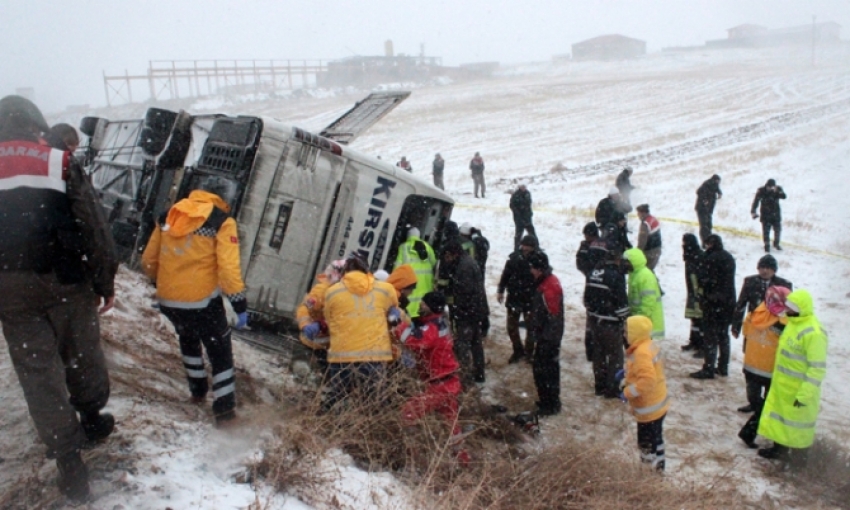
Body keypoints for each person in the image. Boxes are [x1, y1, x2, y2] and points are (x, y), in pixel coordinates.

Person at [0, 95, 118, 501]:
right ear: (35, 123)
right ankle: (91, 416)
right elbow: (93, 223)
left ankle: (69, 463)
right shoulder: (58, 161)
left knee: (37, 375)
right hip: (66, 279)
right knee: (81, 352)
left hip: (9, 289)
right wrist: (105, 279)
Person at [142, 178, 247, 426]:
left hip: (169, 300)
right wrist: (239, 303)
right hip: (202, 301)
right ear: (223, 196)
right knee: (219, 350)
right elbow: (228, 270)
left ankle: (197, 391)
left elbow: (148, 260)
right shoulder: (222, 221)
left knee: (188, 338)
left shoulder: (170, 214)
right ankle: (224, 411)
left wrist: (162, 282)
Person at [395, 291, 469, 463]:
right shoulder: (438, 322)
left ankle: (413, 458)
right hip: (449, 381)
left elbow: (415, 341)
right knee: (451, 426)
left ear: (431, 306)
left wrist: (398, 325)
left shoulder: (432, 328)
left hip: (440, 384)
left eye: (423, 303)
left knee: (408, 413)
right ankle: (462, 460)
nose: (420, 305)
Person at [757, 289, 827, 467]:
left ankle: (798, 462)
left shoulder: (814, 333)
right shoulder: (793, 323)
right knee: (780, 421)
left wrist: (805, 395)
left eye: (790, 308)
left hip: (799, 391)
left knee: (798, 428)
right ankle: (778, 450)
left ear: (800, 309)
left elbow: (817, 369)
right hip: (783, 386)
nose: (786, 310)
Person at [322, 253, 399, 410]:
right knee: (373, 404)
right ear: (367, 270)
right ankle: (365, 431)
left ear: (345, 272)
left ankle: (321, 423)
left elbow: (329, 321)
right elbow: (393, 310)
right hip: (373, 356)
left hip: (341, 356)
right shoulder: (386, 289)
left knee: (335, 397)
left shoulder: (332, 292)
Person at [737, 286, 791, 449]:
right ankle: (754, 431)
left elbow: (746, 333)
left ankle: (753, 431)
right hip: (771, 371)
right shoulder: (785, 322)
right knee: (768, 406)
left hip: (751, 366)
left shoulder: (755, 314)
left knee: (757, 402)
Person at [617, 315, 669, 472]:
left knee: (645, 443)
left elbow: (647, 380)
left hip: (649, 408)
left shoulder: (641, 353)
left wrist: (627, 392)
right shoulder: (648, 344)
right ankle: (659, 466)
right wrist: (626, 373)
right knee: (657, 438)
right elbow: (643, 370)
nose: (625, 335)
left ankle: (648, 473)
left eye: (627, 331)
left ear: (636, 334)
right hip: (658, 403)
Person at [730, 254, 793, 383]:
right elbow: (741, 304)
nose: (764, 271)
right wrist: (736, 325)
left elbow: (789, 309)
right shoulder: (750, 281)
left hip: (774, 328)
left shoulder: (784, 285)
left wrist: (783, 329)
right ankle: (753, 388)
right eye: (762, 267)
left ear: (774, 270)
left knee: (770, 359)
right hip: (754, 326)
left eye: (768, 268)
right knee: (751, 356)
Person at [584, 244, 630, 398]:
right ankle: (612, 388)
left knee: (599, 354)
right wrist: (624, 319)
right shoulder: (616, 276)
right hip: (610, 323)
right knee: (616, 356)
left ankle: (600, 385)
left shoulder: (593, 273)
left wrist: (593, 314)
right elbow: (621, 303)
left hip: (594, 322)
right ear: (617, 260)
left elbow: (586, 299)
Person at [441, 241, 488, 385]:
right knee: (476, 343)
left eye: (447, 256)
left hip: (467, 313)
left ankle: (465, 379)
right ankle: (479, 373)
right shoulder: (468, 262)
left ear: (453, 254)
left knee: (463, 346)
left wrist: (458, 311)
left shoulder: (463, 268)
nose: (445, 259)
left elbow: (465, 293)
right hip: (477, 310)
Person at [690, 234, 736, 379]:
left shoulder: (709, 258)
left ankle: (708, 368)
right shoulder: (728, 257)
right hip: (728, 302)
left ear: (709, 244)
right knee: (723, 336)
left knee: (710, 336)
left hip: (712, 302)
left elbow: (704, 280)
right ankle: (723, 367)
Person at [293, 260, 346, 377]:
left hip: (329, 348)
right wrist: (306, 326)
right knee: (303, 374)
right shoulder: (322, 291)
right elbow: (305, 308)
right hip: (313, 345)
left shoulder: (341, 293)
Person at [527, 252, 564, 416]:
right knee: (545, 370)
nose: (531, 272)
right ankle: (548, 401)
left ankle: (550, 404)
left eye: (533, 268)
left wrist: (545, 337)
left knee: (545, 371)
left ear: (540, 269)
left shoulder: (549, 288)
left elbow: (553, 317)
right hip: (547, 336)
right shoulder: (547, 282)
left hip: (548, 338)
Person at [498, 235, 539, 364]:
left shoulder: (539, 259)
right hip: (514, 297)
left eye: (528, 247)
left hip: (530, 299)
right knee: (511, 328)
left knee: (531, 328)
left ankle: (529, 353)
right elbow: (506, 274)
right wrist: (501, 290)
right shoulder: (514, 258)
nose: (525, 248)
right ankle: (517, 350)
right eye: (523, 246)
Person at [576, 223, 608, 361]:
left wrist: (590, 274)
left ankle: (591, 351)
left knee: (591, 321)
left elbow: (580, 264)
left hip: (592, 286)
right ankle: (599, 349)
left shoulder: (587, 247)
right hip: (603, 287)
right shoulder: (605, 245)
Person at [393, 227, 436, 318]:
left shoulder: (404, 247)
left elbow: (397, 269)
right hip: (426, 287)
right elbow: (434, 263)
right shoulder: (428, 247)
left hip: (411, 286)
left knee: (408, 316)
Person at [623, 248, 665, 340]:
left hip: (647, 319)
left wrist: (640, 317)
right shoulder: (634, 274)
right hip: (640, 319)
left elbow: (649, 300)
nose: (625, 264)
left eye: (627, 262)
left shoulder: (645, 276)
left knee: (645, 349)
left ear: (634, 261)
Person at [681, 233, 705, 355]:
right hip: (692, 291)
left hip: (698, 292)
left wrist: (699, 291)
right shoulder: (690, 255)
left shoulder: (699, 256)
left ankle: (702, 345)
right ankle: (694, 341)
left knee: (700, 319)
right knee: (694, 318)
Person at [751, 179, 787, 252]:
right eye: (769, 187)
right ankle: (767, 244)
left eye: (772, 187)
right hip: (765, 214)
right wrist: (753, 211)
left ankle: (776, 243)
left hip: (776, 214)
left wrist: (780, 191)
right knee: (766, 231)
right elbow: (756, 201)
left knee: (778, 230)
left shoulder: (777, 190)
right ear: (766, 185)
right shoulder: (761, 191)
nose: (770, 188)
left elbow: (784, 197)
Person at [695, 174, 722, 246]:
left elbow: (717, 189)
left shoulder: (714, 185)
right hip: (702, 209)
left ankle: (709, 241)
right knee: (704, 226)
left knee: (708, 225)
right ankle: (704, 242)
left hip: (708, 210)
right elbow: (698, 191)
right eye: (718, 182)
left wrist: (720, 193)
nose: (718, 184)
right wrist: (704, 200)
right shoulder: (707, 184)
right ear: (715, 180)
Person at [510, 184, 537, 250]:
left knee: (532, 233)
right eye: (522, 187)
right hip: (519, 218)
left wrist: (529, 213)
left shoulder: (527, 193)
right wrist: (518, 213)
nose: (524, 188)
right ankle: (516, 248)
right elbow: (512, 206)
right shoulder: (515, 195)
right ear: (519, 187)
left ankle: (536, 247)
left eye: (524, 187)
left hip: (527, 217)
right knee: (518, 234)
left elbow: (529, 204)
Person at [635, 204, 662, 270]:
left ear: (642, 213)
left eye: (638, 213)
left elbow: (642, 241)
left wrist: (638, 253)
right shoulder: (652, 219)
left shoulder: (645, 224)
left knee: (646, 271)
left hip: (649, 251)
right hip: (657, 249)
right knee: (650, 271)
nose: (637, 215)